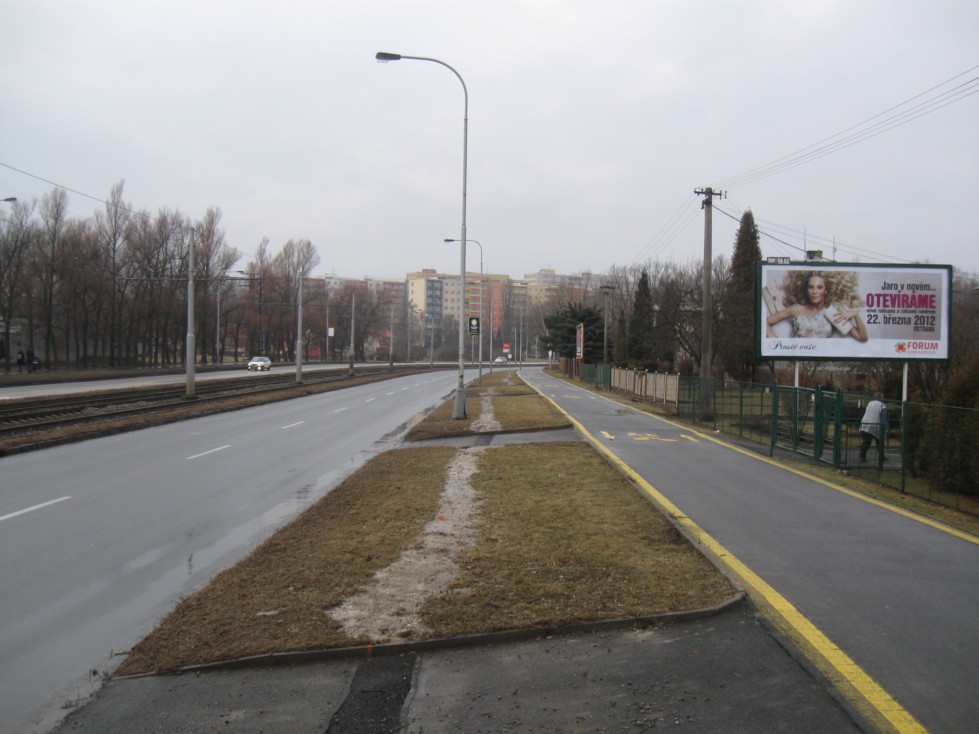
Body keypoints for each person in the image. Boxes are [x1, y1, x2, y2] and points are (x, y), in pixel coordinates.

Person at [766, 271, 868, 342]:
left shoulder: (832, 313)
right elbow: (764, 322)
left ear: (826, 291)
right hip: (796, 360)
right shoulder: (796, 309)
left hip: (818, 364)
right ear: (807, 290)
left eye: (819, 287)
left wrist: (855, 314)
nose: (814, 292)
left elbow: (862, 337)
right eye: (811, 287)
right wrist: (774, 341)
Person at [859, 392, 888, 465]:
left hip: (864, 423)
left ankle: (862, 456)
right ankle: (881, 457)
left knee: (866, 441)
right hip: (875, 424)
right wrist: (884, 428)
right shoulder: (882, 405)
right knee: (880, 441)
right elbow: (883, 417)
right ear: (881, 398)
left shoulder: (870, 403)